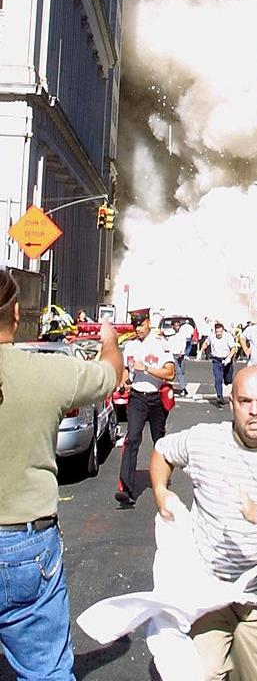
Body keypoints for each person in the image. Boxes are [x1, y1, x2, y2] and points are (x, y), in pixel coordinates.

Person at [150, 365, 257, 681]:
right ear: (232, 403)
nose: (255, 411)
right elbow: (163, 452)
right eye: (245, 401)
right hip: (206, 595)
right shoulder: (204, 440)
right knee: (194, 674)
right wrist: (162, 493)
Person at [0, 269, 123, 680]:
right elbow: (109, 376)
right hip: (24, 542)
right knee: (46, 671)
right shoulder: (48, 373)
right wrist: (109, 340)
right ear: (16, 314)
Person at [115, 308, 176, 508]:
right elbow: (127, 370)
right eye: (135, 325)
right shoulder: (131, 346)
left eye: (140, 324)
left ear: (148, 322)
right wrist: (123, 382)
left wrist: (147, 369)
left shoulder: (160, 344)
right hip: (137, 398)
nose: (137, 328)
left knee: (159, 441)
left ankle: (163, 481)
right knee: (132, 439)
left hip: (156, 398)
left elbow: (170, 373)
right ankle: (126, 489)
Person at [209, 321, 237, 405]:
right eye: (217, 332)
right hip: (216, 360)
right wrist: (200, 351)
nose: (219, 334)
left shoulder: (228, 337)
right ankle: (219, 396)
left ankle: (226, 380)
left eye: (220, 332)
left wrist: (229, 358)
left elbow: (233, 348)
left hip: (227, 360)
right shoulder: (211, 337)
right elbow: (206, 343)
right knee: (218, 378)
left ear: (223, 331)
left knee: (228, 379)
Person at [168, 318, 189, 397]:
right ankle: (184, 388)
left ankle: (183, 386)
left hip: (180, 354)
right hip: (173, 355)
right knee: (178, 372)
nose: (177, 327)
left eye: (178, 325)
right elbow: (169, 345)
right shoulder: (170, 334)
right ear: (172, 326)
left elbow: (183, 343)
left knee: (182, 371)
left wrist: (182, 351)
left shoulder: (182, 334)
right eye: (176, 325)